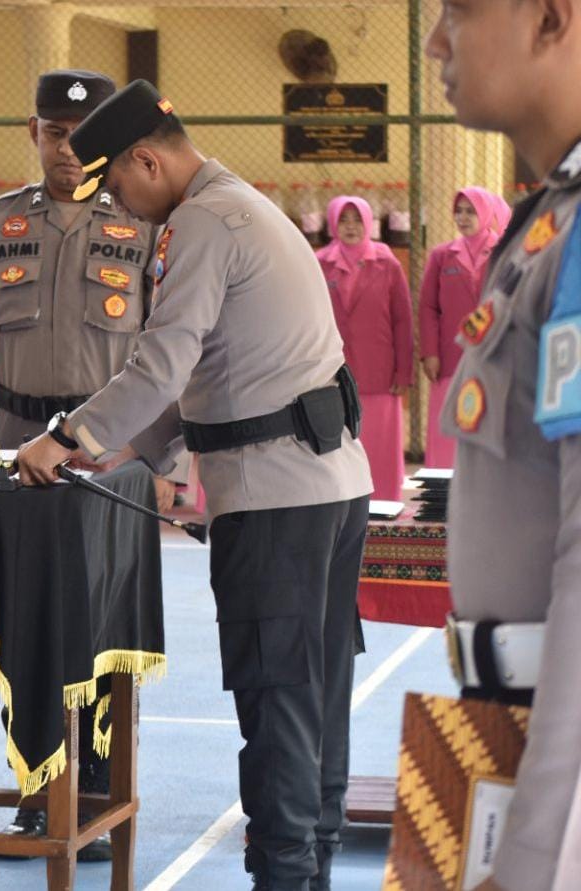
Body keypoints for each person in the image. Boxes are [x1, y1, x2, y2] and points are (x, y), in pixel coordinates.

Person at [17, 81, 373, 891]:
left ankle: (285, 878)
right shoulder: (243, 204)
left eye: (117, 185)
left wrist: (65, 436)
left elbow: (162, 362)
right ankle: (308, 871)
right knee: (314, 697)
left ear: (147, 159)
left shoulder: (203, 223)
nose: (120, 206)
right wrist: (126, 448)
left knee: (277, 705)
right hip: (326, 488)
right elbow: (215, 369)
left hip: (274, 499)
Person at [0, 69, 164, 859]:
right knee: (22, 623)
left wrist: (159, 456)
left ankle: (94, 787)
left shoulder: (144, 224)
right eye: (56, 134)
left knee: (103, 626)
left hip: (107, 458)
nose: (68, 150)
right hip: (16, 446)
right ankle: (38, 791)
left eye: (83, 135)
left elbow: (171, 347)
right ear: (32, 132)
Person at [425, 0, 581, 887]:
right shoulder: (547, 219)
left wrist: (531, 854)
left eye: (460, 10)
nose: (435, 43)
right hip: (513, 714)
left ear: (551, 19)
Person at [316, 195, 413, 501]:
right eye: (343, 220)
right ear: (332, 223)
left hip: (379, 369)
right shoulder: (319, 262)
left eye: (357, 219)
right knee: (338, 444)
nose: (351, 226)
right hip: (332, 372)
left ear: (370, 223)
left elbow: (403, 319)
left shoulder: (388, 264)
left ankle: (384, 501)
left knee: (380, 442)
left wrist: (404, 371)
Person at [418, 187, 511, 468]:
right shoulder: (441, 255)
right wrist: (430, 353)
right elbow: (428, 307)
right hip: (449, 355)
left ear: (485, 213)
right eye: (458, 211)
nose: (462, 217)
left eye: (470, 211)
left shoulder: (503, 252)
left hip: (491, 353)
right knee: (448, 423)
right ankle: (443, 482)